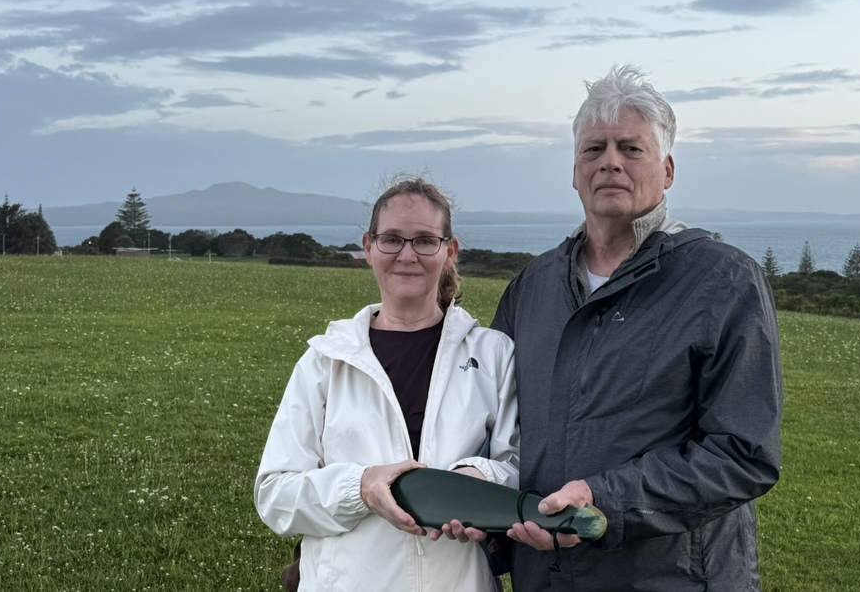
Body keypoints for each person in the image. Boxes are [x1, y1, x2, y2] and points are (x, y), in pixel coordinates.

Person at [491, 65, 783, 591]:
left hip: (673, 578)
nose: (610, 163)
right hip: (545, 578)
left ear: (667, 170)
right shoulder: (532, 287)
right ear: (574, 172)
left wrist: (604, 500)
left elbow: (743, 454)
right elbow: (497, 428)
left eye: (631, 149)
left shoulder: (722, 281)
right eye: (593, 150)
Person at [254, 177, 519, 592]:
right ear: (369, 247)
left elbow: (522, 468)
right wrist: (361, 488)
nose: (407, 255)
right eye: (392, 239)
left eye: (425, 241)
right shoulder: (325, 361)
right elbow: (274, 495)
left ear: (450, 251)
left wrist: (479, 478)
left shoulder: (493, 354)